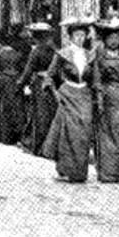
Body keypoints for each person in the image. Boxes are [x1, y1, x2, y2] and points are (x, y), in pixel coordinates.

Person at [42, 17, 96, 183]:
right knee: (69, 133)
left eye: (82, 35)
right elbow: (49, 75)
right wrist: (54, 91)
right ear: (71, 37)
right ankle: (67, 168)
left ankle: (80, 170)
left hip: (85, 95)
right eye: (76, 35)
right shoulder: (62, 54)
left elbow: (95, 78)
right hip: (69, 95)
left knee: (84, 132)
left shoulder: (89, 55)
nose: (79, 39)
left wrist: (97, 94)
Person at [92, 17, 119, 182]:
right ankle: (107, 172)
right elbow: (96, 77)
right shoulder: (99, 53)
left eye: (117, 37)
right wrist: (99, 97)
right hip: (107, 96)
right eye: (111, 38)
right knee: (107, 134)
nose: (114, 41)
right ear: (105, 39)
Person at [18, 23, 58, 156]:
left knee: (39, 114)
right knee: (51, 114)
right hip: (52, 84)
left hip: (39, 84)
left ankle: (39, 146)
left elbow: (28, 70)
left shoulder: (36, 51)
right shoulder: (54, 50)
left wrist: (21, 83)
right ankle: (51, 145)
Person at [0, 28, 26, 145]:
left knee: (4, 109)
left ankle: (4, 136)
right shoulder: (18, 54)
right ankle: (17, 136)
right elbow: (22, 69)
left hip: (4, 83)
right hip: (15, 82)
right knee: (17, 109)